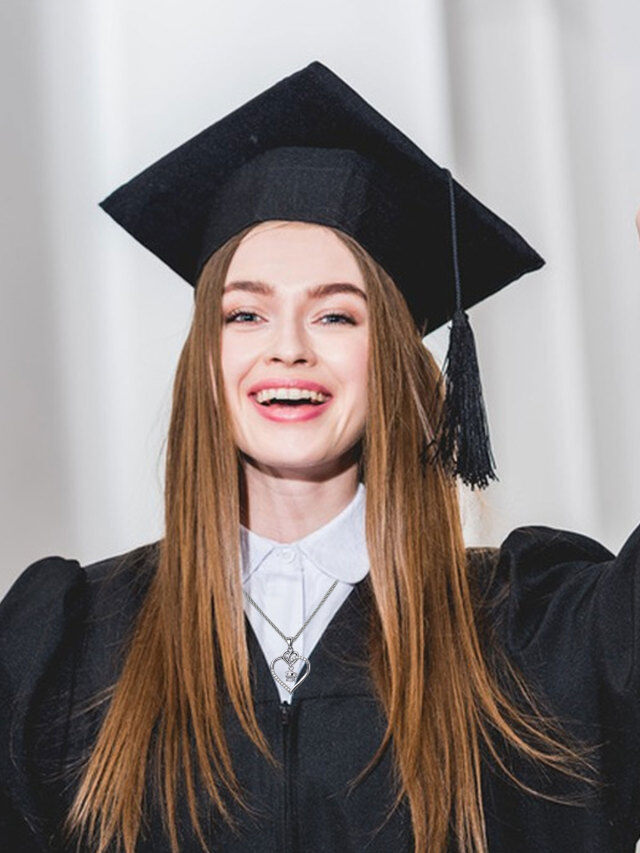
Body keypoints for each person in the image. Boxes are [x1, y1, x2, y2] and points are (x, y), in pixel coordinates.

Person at [1, 60, 639, 853]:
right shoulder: (72, 646)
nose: (289, 349)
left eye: (337, 315)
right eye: (246, 314)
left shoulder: (531, 631)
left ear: (397, 362)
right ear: (206, 357)